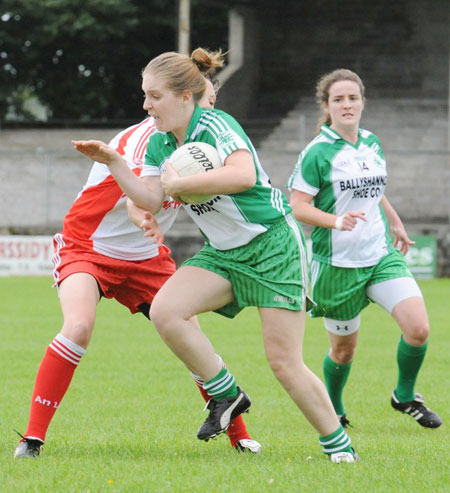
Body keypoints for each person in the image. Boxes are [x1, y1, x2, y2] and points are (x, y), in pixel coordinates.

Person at [72, 48, 360, 463]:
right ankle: (226, 393)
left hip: (273, 247)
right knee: (166, 311)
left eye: (154, 96)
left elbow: (243, 175)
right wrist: (116, 162)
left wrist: (184, 184)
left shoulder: (216, 123)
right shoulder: (159, 143)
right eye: (145, 95)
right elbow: (151, 198)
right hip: (224, 253)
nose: (146, 105)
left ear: (185, 97)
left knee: (283, 363)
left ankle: (339, 448)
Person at [13, 78, 261, 459]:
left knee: (190, 338)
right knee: (78, 326)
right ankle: (31, 439)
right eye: (206, 103)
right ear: (185, 99)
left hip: (145, 256)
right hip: (89, 245)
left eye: (213, 104)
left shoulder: (204, 141)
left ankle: (240, 437)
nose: (210, 112)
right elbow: (137, 197)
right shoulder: (148, 138)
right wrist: (145, 216)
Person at [287, 68, 442, 429]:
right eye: (338, 99)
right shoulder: (317, 153)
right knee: (344, 351)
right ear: (326, 106)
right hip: (337, 265)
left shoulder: (371, 141)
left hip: (380, 255)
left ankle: (404, 396)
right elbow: (297, 206)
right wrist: (336, 221)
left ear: (362, 102)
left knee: (418, 328)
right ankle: (336, 410)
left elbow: (374, 189)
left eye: (353, 98)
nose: (347, 104)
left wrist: (395, 221)